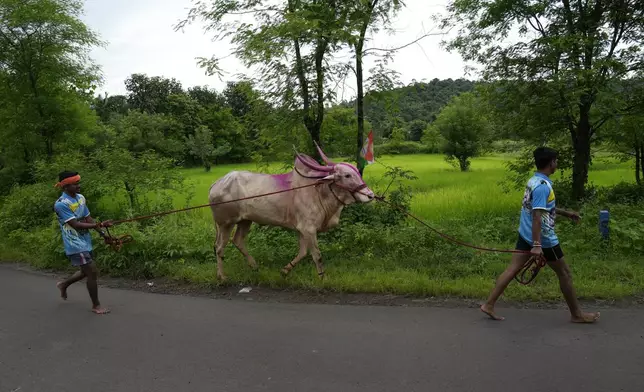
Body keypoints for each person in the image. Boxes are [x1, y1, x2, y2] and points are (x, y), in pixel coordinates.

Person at [480, 147, 600, 323]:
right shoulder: (543, 187)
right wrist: (537, 245)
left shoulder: (534, 181)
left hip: (526, 234)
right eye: (556, 161)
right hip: (544, 239)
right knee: (565, 273)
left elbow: (541, 208)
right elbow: (537, 216)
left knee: (512, 269)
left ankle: (488, 304)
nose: (556, 163)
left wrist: (565, 213)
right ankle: (577, 315)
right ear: (551, 162)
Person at [53, 171, 113, 315]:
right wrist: (100, 224)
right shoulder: (61, 204)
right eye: (75, 184)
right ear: (66, 186)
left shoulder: (80, 198)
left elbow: (88, 219)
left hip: (85, 241)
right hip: (74, 242)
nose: (79, 186)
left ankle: (64, 284)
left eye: (78, 183)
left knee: (85, 271)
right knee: (91, 271)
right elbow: (76, 224)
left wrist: (102, 233)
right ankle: (96, 305)